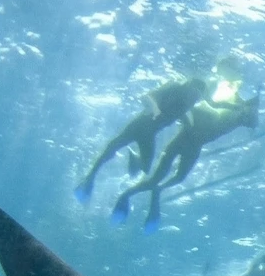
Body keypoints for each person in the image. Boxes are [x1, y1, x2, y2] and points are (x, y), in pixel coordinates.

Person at [111, 74, 259, 233]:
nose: (249, 116)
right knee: (156, 178)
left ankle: (155, 190)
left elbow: (251, 121)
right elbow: (195, 108)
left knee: (178, 177)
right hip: (182, 141)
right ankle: (128, 194)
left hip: (195, 147)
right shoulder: (227, 107)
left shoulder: (240, 115)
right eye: (249, 112)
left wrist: (247, 108)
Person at [73, 75, 212, 203]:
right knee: (112, 148)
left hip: (149, 135)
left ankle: (135, 159)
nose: (194, 99)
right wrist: (154, 107)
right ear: (187, 87)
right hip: (139, 126)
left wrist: (191, 129)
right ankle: (90, 177)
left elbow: (186, 119)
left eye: (197, 98)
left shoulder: (186, 105)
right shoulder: (174, 89)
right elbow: (146, 97)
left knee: (145, 168)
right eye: (194, 94)